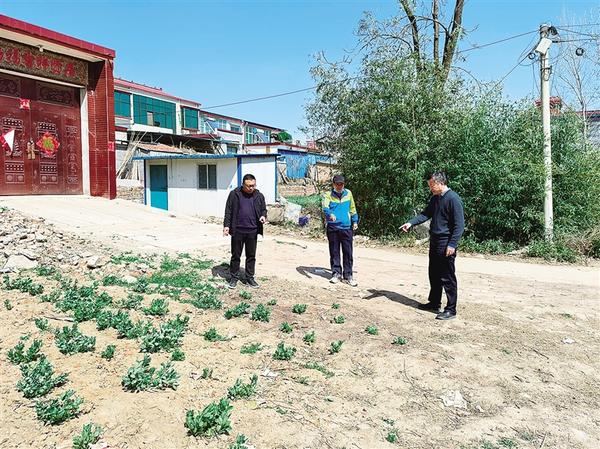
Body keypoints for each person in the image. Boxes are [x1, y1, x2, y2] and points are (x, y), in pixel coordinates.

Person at [400, 171, 465, 320]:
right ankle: (434, 302)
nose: (430, 188)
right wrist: (410, 223)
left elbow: (459, 225)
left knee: (447, 276)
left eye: (432, 185)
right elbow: (425, 214)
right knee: (434, 273)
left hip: (446, 242)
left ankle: (451, 309)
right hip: (435, 240)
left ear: (440, 183)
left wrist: (452, 244)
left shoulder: (453, 199)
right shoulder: (435, 198)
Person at [223, 174, 267, 289]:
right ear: (243, 184)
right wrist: (226, 225)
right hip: (237, 230)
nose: (251, 188)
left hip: (252, 230)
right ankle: (234, 277)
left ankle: (249, 278)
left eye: (253, 185)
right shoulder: (234, 194)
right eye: (249, 186)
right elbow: (228, 210)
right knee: (235, 255)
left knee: (251, 255)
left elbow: (263, 209)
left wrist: (263, 216)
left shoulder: (259, 196)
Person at [322, 174, 359, 286]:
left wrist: (355, 221)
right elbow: (325, 208)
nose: (339, 186)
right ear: (333, 184)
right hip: (333, 228)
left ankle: (348, 275)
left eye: (341, 184)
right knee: (334, 252)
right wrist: (330, 214)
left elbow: (352, 208)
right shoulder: (328, 195)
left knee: (348, 252)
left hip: (346, 227)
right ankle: (336, 273)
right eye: (337, 184)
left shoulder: (348, 193)